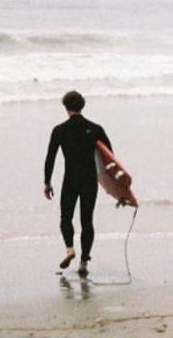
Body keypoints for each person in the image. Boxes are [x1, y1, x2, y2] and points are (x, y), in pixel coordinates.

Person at [43, 90, 112, 278]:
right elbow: (109, 157)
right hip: (89, 179)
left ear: (65, 107)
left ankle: (69, 249)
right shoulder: (95, 128)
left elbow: (50, 157)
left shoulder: (59, 130)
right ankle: (83, 262)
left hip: (70, 179)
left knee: (66, 217)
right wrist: (113, 185)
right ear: (82, 105)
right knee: (87, 220)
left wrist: (47, 182)